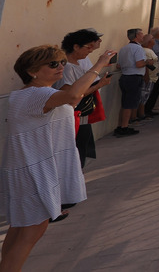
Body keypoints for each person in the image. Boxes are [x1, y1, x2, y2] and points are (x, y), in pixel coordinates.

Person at [0, 45, 116, 271]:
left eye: (62, 62)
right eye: (53, 64)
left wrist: (97, 84)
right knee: (31, 232)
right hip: (33, 171)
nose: (60, 67)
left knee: (20, 229)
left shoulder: (28, 95)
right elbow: (73, 95)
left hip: (27, 168)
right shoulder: (38, 94)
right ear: (32, 71)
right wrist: (99, 64)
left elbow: (73, 97)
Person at [57, 29, 112, 168]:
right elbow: (70, 95)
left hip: (80, 117)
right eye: (88, 47)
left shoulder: (76, 64)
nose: (91, 50)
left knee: (80, 151)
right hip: (73, 117)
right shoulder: (67, 68)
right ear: (76, 46)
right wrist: (98, 85)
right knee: (76, 154)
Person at [116, 28, 152, 137]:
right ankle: (124, 127)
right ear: (136, 36)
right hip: (134, 78)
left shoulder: (123, 49)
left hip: (124, 77)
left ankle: (121, 126)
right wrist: (147, 62)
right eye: (141, 34)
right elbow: (139, 64)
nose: (143, 36)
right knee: (129, 104)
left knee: (125, 103)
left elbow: (118, 65)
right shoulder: (138, 48)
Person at [144, 27, 159, 117]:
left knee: (157, 89)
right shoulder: (153, 43)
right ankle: (146, 109)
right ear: (158, 34)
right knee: (151, 89)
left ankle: (150, 108)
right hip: (153, 69)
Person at [136, 33, 159, 121]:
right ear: (149, 41)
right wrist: (147, 76)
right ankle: (141, 114)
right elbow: (145, 64)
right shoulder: (146, 51)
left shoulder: (149, 50)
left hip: (152, 77)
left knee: (145, 95)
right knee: (144, 95)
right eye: (153, 38)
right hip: (148, 77)